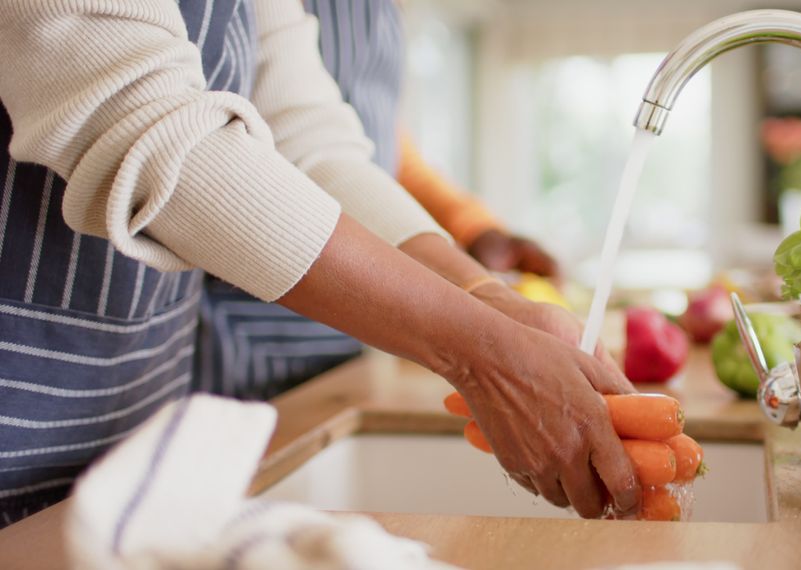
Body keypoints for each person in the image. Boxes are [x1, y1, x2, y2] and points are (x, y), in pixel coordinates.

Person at [0, 0, 638, 527]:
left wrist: (485, 296)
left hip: (136, 418)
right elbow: (143, 120)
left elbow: (310, 143)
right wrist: (480, 350)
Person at [195, 0, 560, 400]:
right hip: (247, 313)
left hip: (359, 320)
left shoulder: (385, 9)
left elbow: (369, 147)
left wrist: (473, 231)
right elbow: (270, 142)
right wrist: (473, 322)